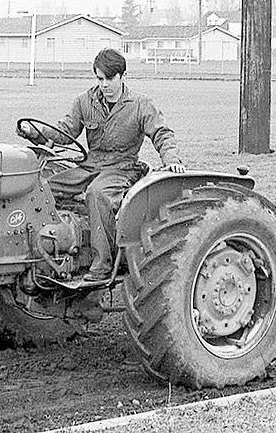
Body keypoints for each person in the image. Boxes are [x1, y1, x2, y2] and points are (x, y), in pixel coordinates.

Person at [26, 48, 184, 287]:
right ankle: (48, 252)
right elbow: (65, 131)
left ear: (122, 76)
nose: (104, 85)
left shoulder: (140, 104)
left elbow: (161, 133)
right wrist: (35, 133)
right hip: (91, 164)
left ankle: (102, 264)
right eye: (100, 79)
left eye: (109, 79)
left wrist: (171, 159)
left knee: (98, 194)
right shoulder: (85, 101)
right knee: (43, 186)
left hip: (123, 167)